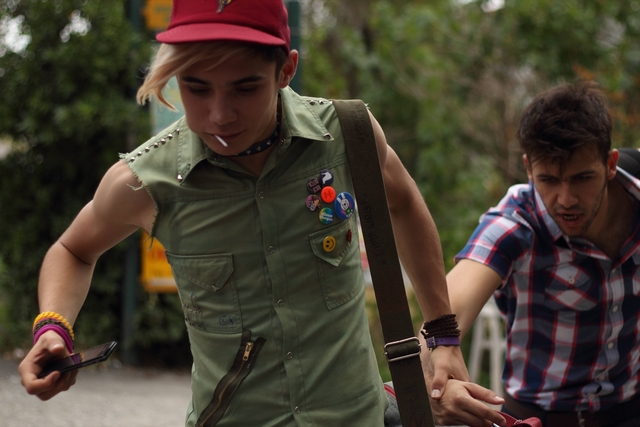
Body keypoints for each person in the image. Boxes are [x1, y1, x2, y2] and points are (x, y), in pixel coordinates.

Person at [17, 1, 493, 426]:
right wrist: (52, 328)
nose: (220, 114)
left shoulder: (348, 134)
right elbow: (73, 250)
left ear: (286, 70)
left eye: (245, 88)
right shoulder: (145, 180)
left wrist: (442, 332)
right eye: (196, 88)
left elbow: (403, 204)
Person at [432, 82, 640, 427]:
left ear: (610, 163)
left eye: (582, 178)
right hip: (537, 417)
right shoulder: (515, 224)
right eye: (549, 180)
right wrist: (438, 369)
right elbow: (443, 313)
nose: (566, 199)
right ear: (529, 169)